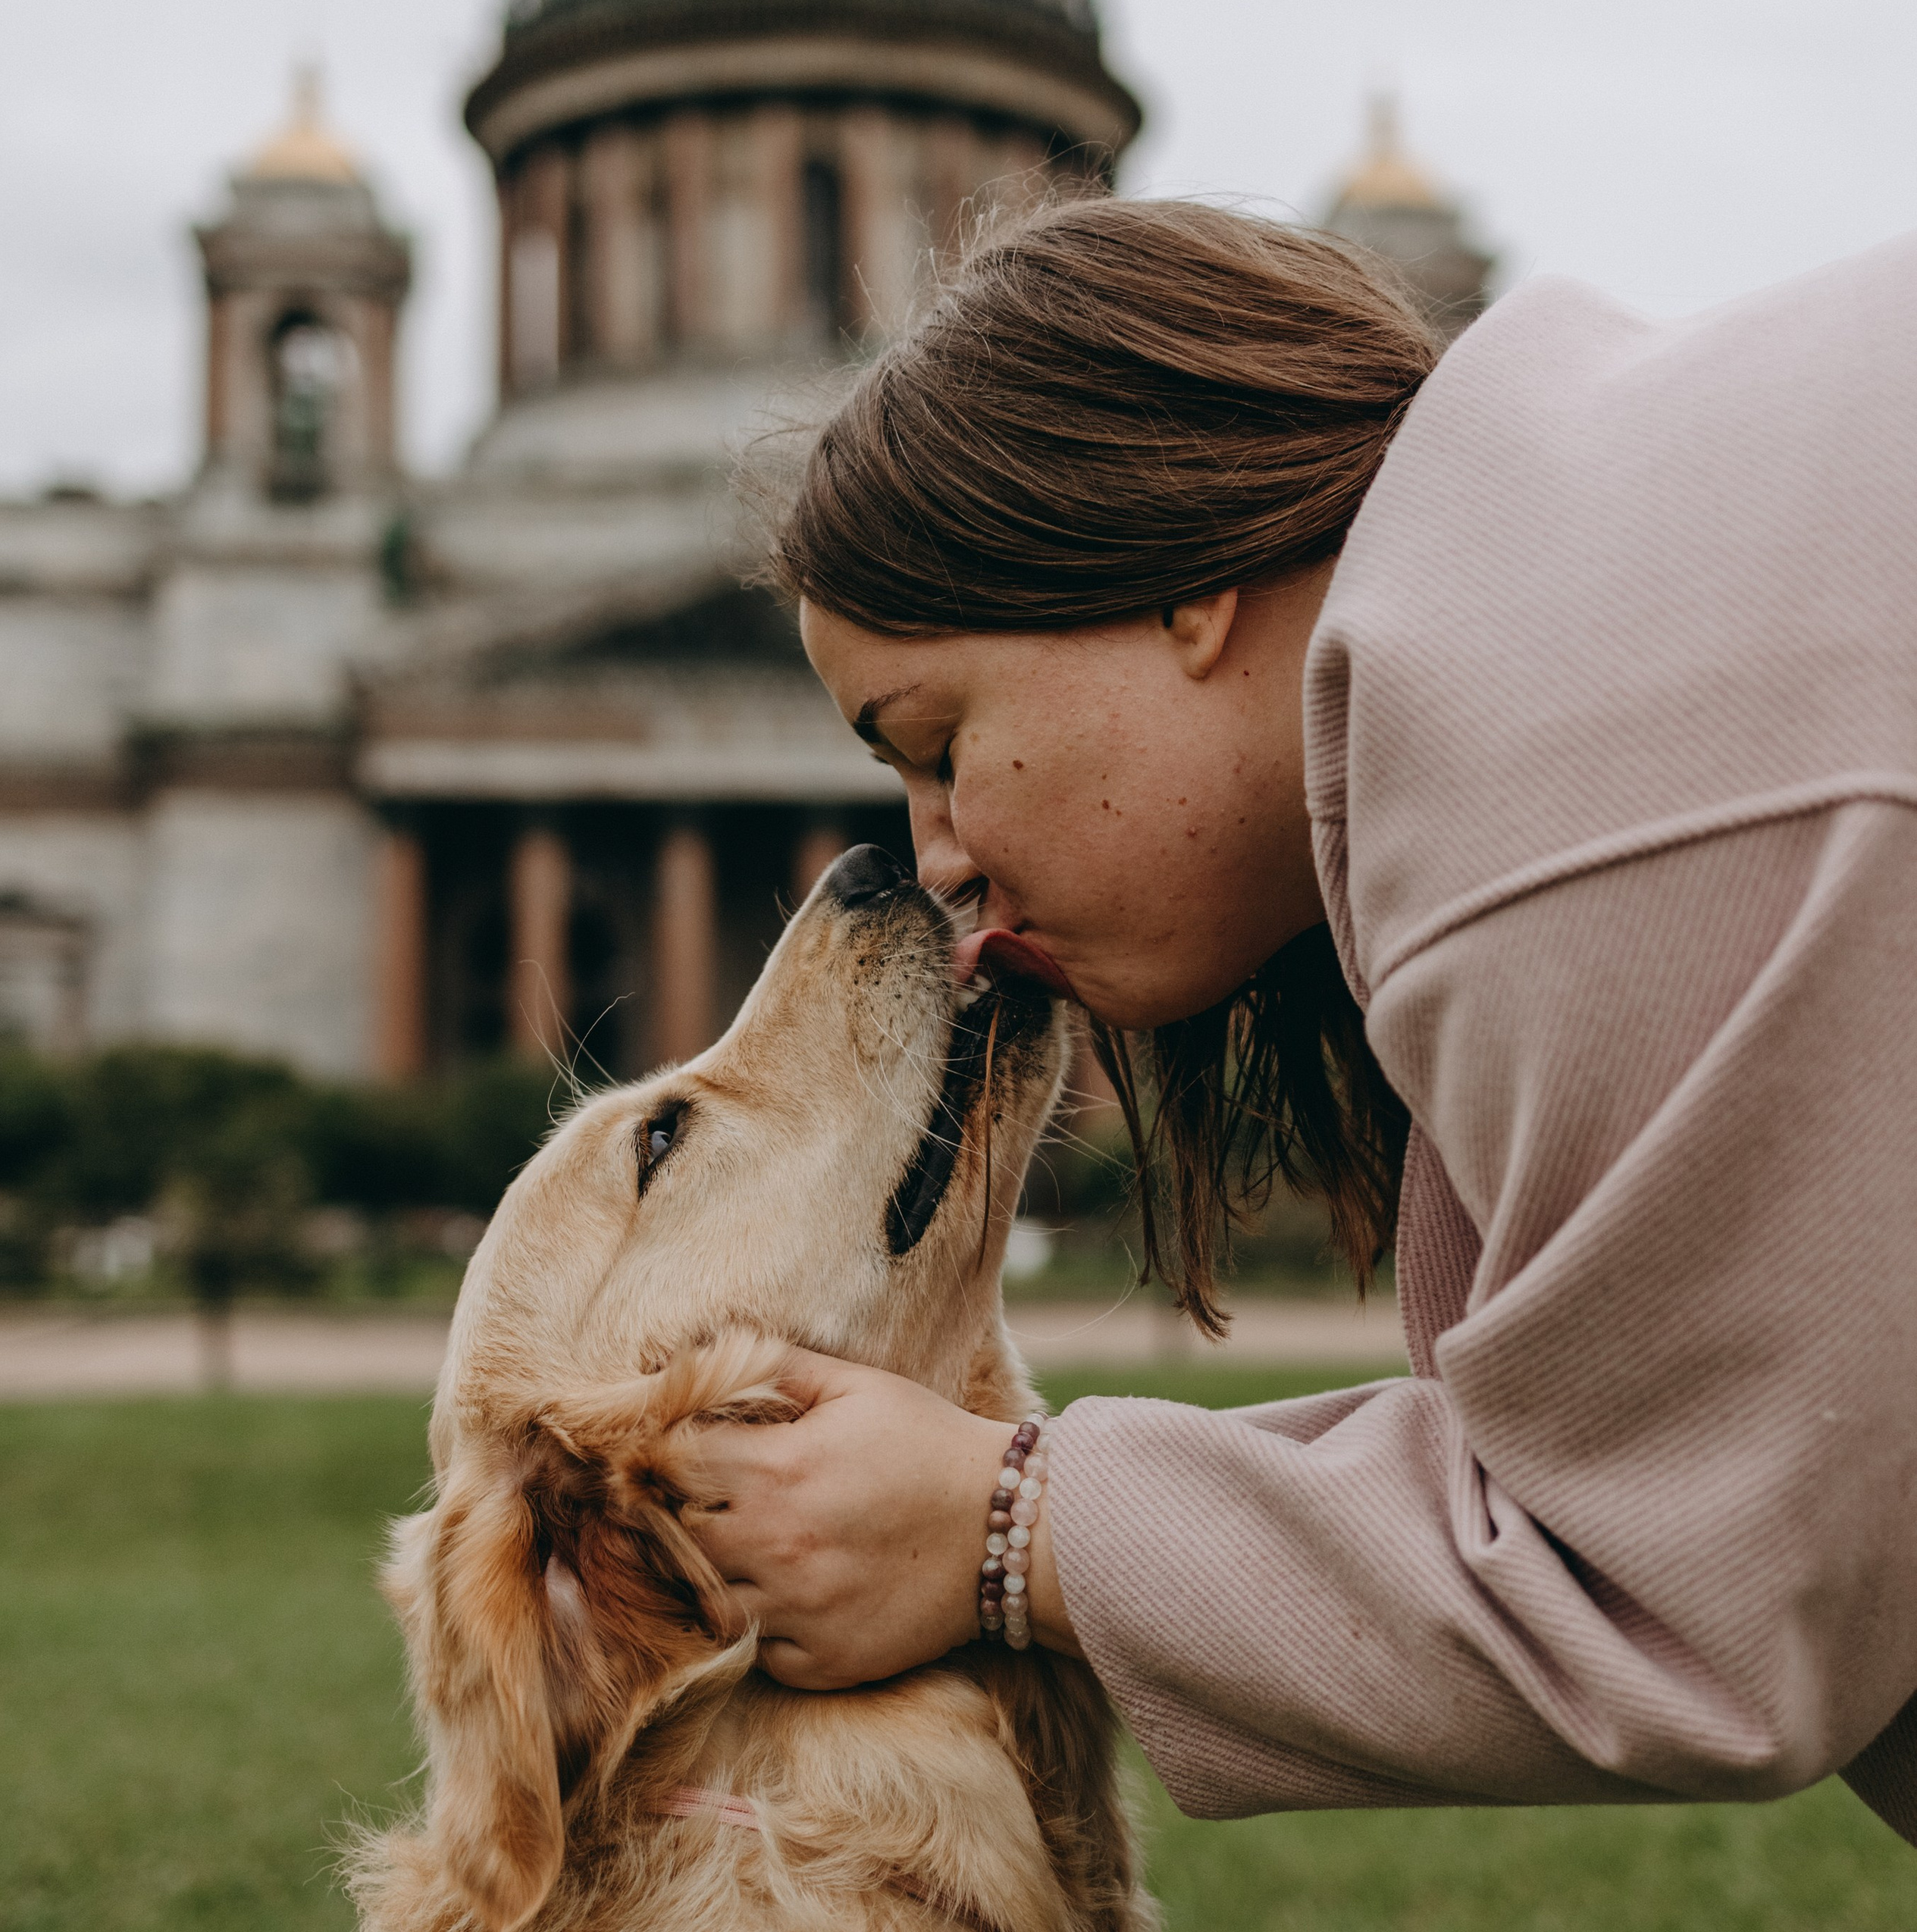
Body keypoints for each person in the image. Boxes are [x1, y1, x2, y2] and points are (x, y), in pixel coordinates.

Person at [687, 194, 1917, 1843]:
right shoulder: (1610, 587)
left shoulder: (1546, 795)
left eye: (934, 745)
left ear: (1180, 586)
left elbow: (1684, 1597)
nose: (939, 868)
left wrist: (999, 1527)